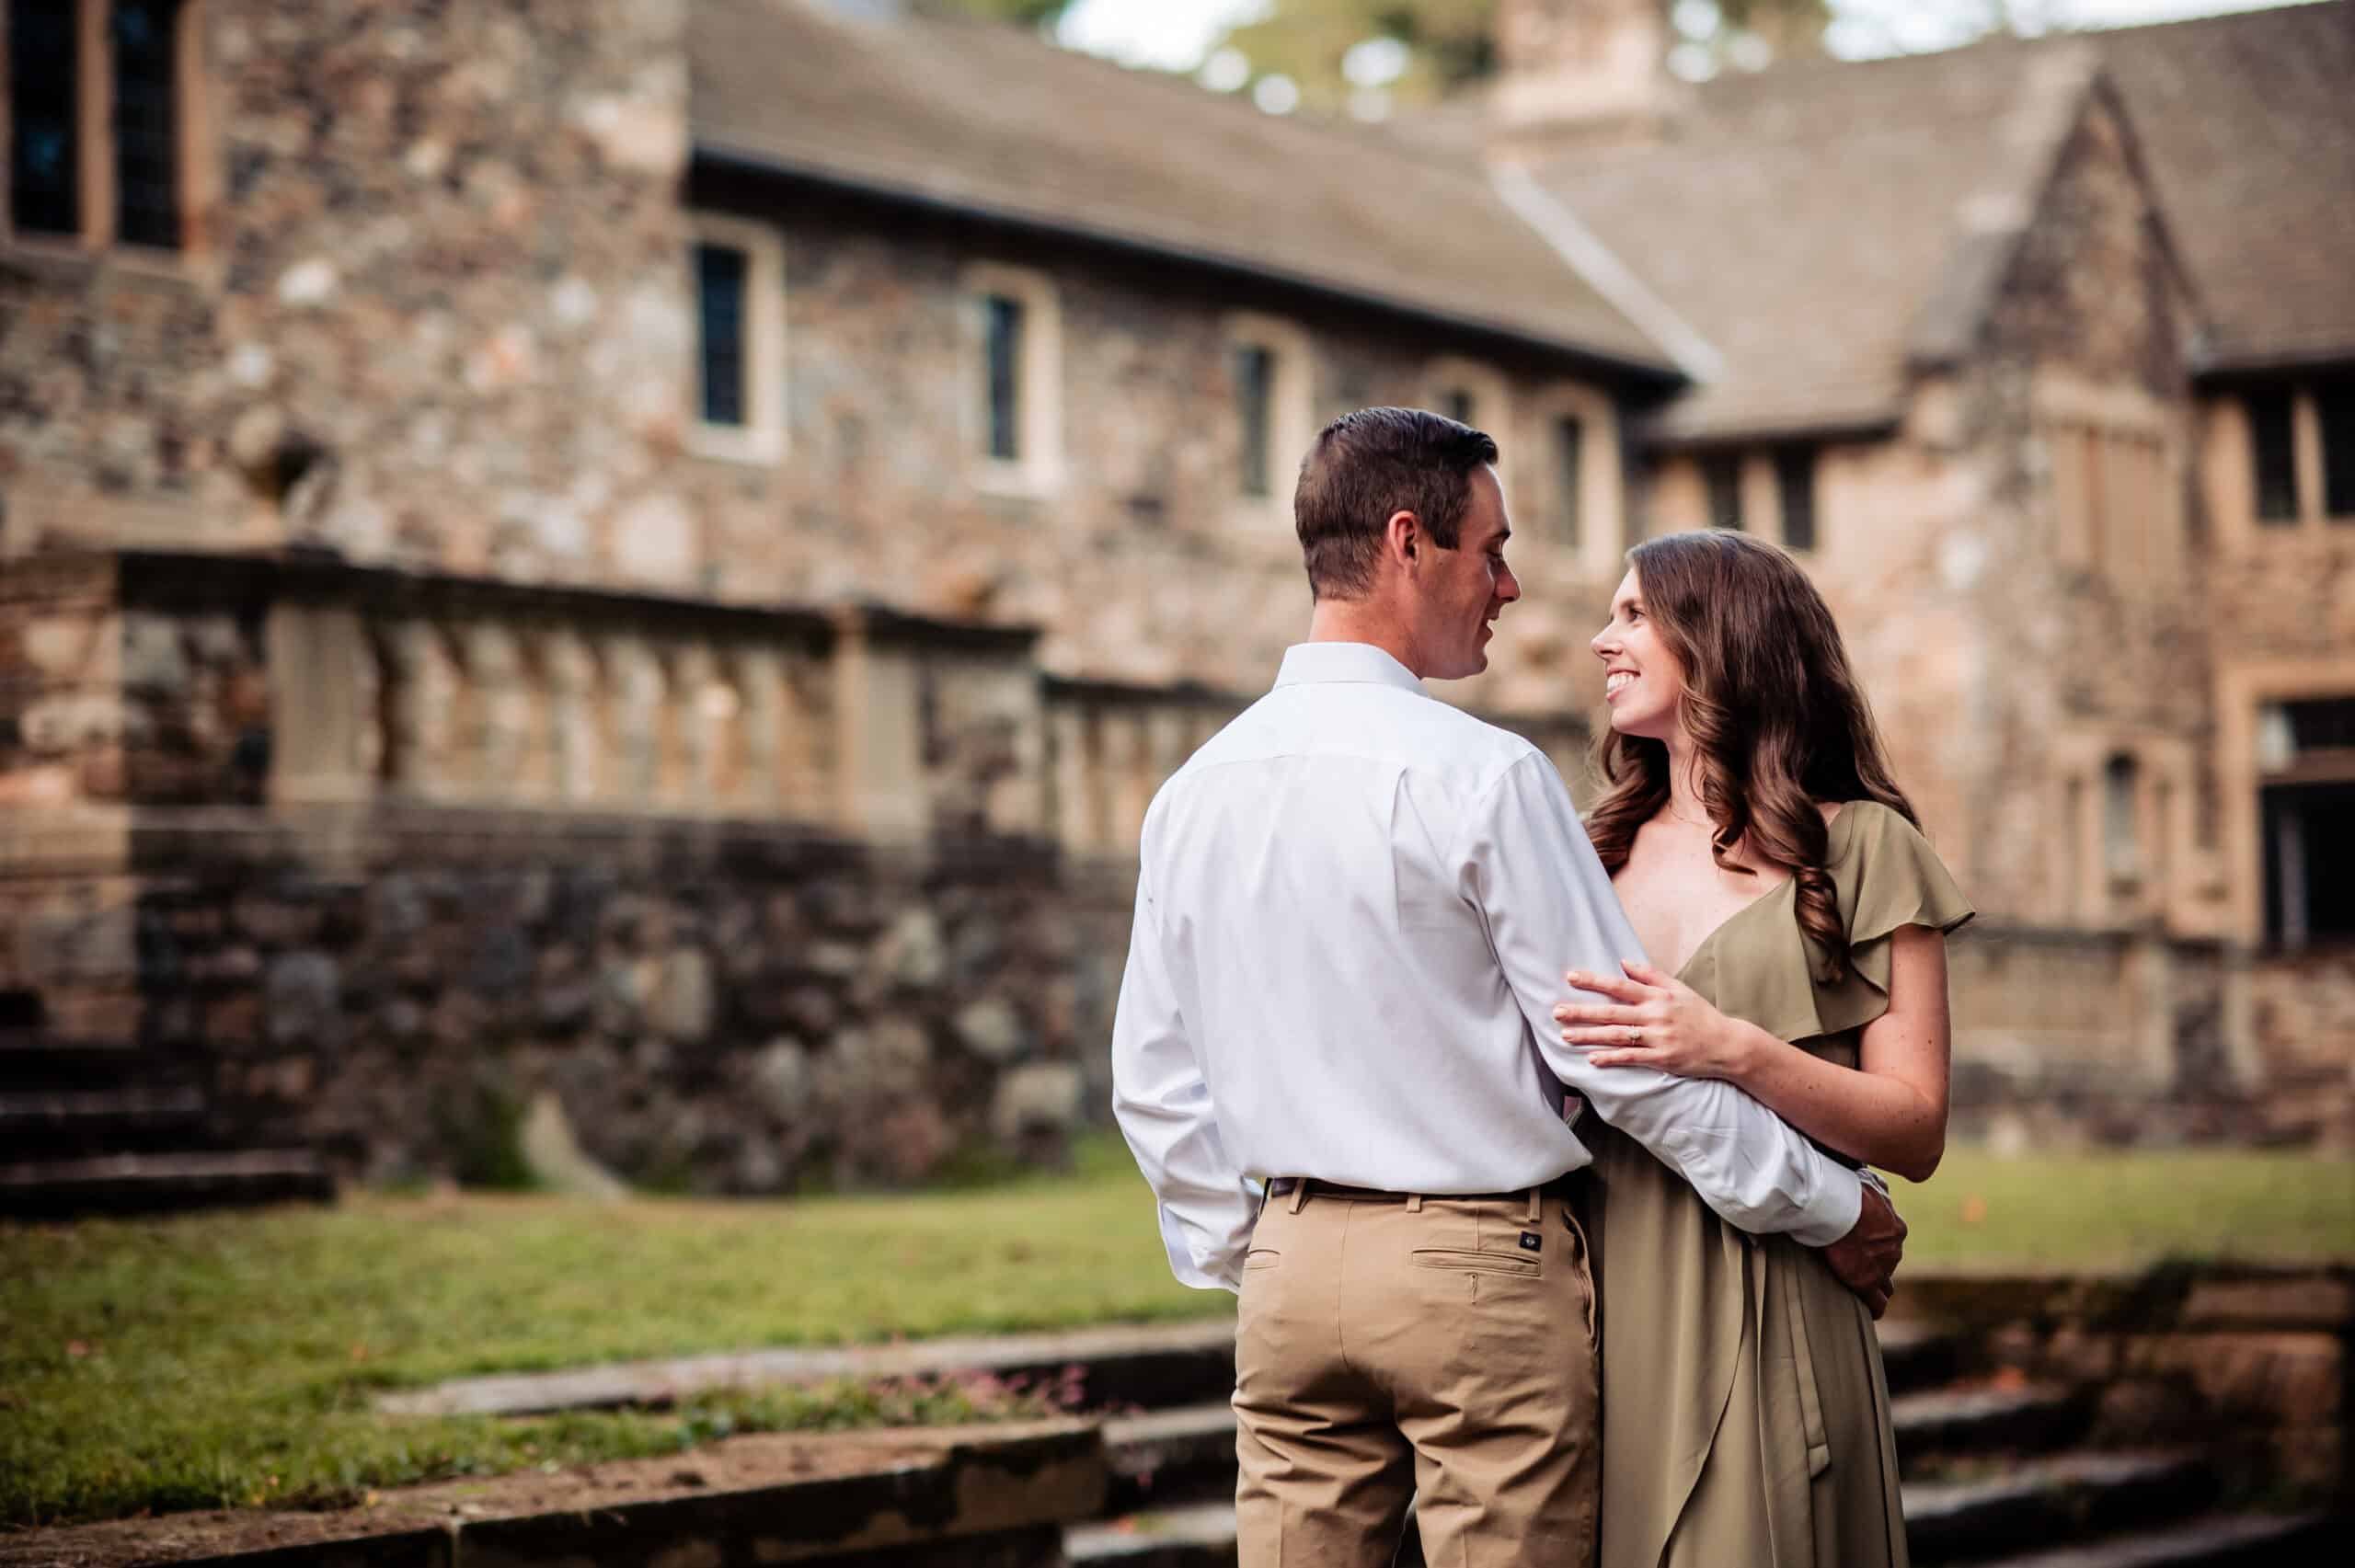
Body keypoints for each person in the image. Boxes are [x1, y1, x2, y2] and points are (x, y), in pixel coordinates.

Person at [1109, 409, 1905, 1568]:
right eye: (1491, 549)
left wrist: (1259, 1251)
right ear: (1406, 543)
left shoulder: (1194, 789)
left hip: (1285, 1267)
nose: (1513, 584)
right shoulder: (1481, 775)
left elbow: (1154, 1081)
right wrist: (1834, 1206)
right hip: (1476, 1271)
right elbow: (1616, 1060)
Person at [1552, 529, 1973, 1567]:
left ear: (1722, 636)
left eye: (1634, 615)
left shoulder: (1863, 847)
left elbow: (1914, 1128)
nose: (1603, 640)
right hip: (1584, 1303)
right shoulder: (1575, 852)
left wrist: (1734, 1049)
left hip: (1774, 1298)